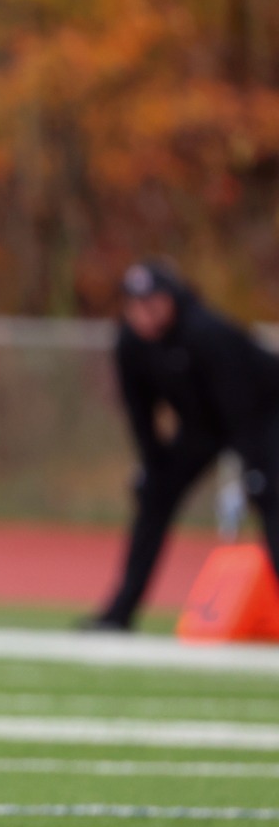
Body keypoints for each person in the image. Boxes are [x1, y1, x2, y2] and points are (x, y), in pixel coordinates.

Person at [81, 262, 279, 631]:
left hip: (264, 416)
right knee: (153, 498)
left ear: (171, 300)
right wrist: (152, 465)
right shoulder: (131, 343)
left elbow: (243, 404)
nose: (145, 313)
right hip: (203, 426)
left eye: (153, 302)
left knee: (272, 498)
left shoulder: (206, 332)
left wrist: (254, 472)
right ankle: (119, 613)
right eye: (136, 304)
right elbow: (141, 413)